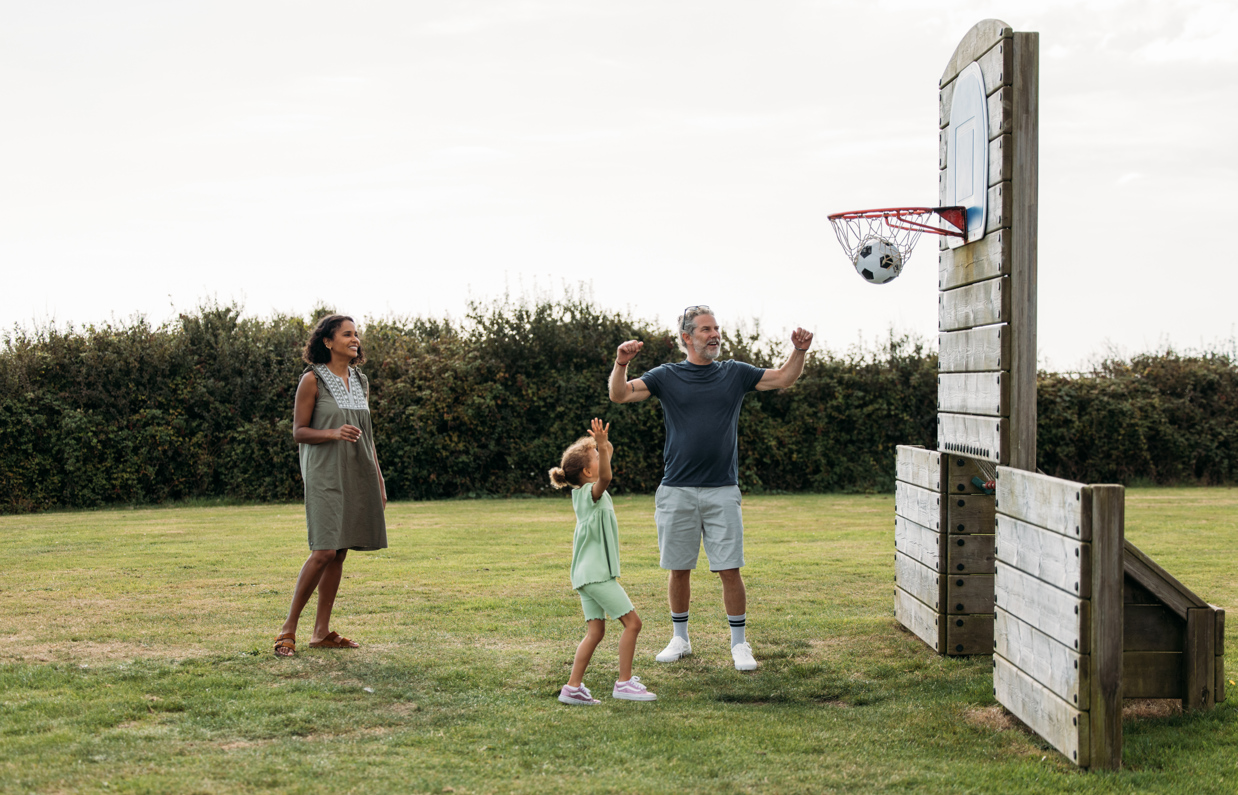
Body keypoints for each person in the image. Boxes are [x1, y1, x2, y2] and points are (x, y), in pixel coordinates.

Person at [608, 306, 813, 671]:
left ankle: (739, 645)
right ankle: (680, 639)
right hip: (676, 490)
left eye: (716, 328)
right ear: (687, 337)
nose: (714, 334)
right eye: (705, 329)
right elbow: (620, 395)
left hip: (722, 489)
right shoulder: (666, 376)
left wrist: (798, 351)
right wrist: (621, 363)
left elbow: (783, 378)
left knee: (730, 568)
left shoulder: (734, 373)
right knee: (678, 568)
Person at [274, 314, 387, 657]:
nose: (355, 339)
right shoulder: (313, 380)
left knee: (340, 550)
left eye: (356, 334)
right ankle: (287, 630)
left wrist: (379, 479)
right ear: (328, 341)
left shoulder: (360, 379)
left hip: (357, 471)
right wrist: (333, 433)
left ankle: (321, 632)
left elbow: (367, 435)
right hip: (324, 472)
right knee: (323, 550)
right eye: (347, 334)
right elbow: (299, 432)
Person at [549, 419, 657, 705]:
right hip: (596, 576)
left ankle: (572, 688)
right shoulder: (591, 493)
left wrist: (603, 444)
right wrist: (600, 446)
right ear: (587, 472)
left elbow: (605, 469)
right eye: (596, 457)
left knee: (595, 632)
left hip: (586, 576)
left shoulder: (585, 495)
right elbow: (606, 477)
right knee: (633, 623)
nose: (602, 457)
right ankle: (623, 683)